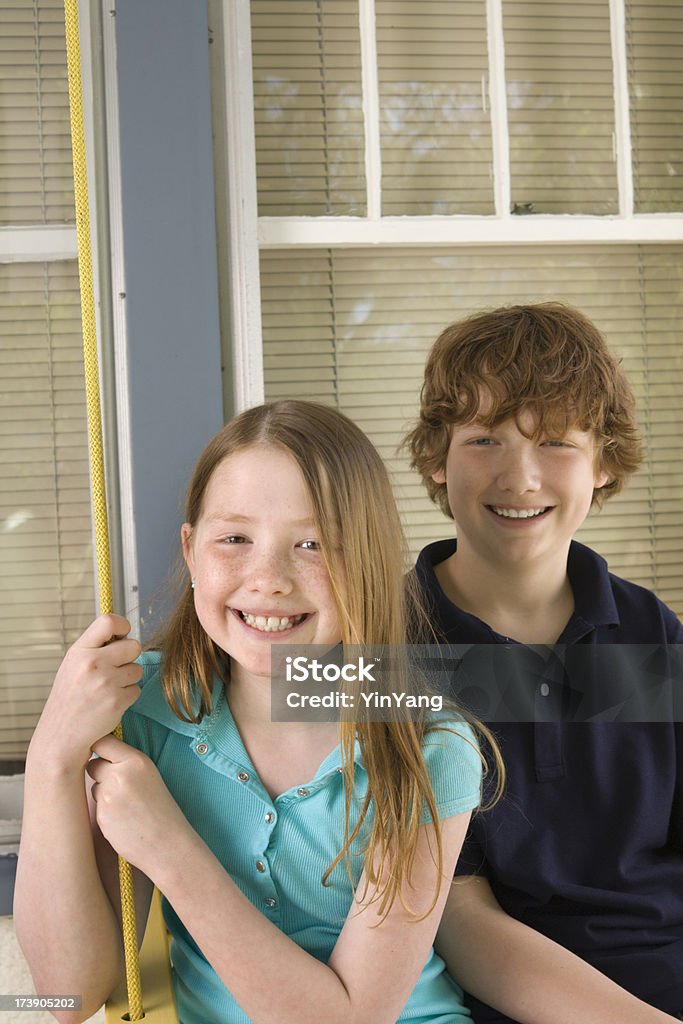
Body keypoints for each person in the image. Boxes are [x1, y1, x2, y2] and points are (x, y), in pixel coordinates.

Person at [15, 399, 499, 1024]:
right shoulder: (140, 711)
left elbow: (348, 1018)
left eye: (313, 543)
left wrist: (169, 847)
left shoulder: (425, 744)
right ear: (191, 553)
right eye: (235, 539)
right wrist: (51, 759)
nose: (268, 578)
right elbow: (70, 996)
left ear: (368, 563)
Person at [404, 302, 683, 1023]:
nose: (519, 477)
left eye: (555, 442)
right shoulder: (388, 652)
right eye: (485, 439)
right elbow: (454, 917)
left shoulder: (653, 634)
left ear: (603, 464)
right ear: (435, 457)